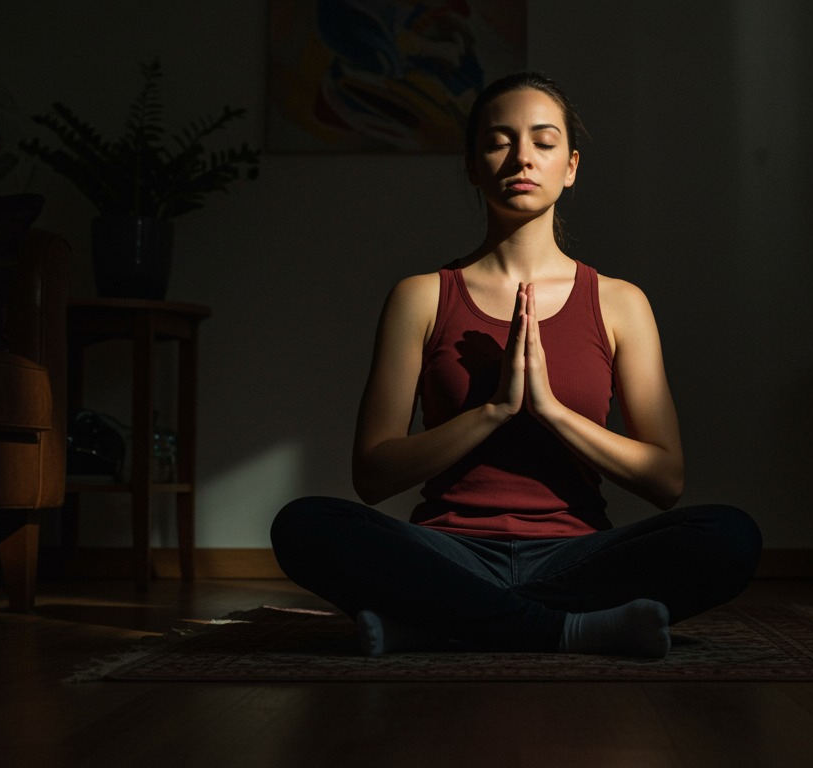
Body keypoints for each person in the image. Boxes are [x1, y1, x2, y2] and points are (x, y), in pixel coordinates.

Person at [271, 72, 761, 658]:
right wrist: (494, 411)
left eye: (544, 141)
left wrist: (550, 412)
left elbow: (666, 481)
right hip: (448, 552)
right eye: (499, 141)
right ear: (473, 166)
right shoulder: (421, 297)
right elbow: (372, 476)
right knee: (305, 524)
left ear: (571, 166)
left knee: (729, 537)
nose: (522, 157)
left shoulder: (620, 302)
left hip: (575, 555)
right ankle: (564, 629)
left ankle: (440, 622)